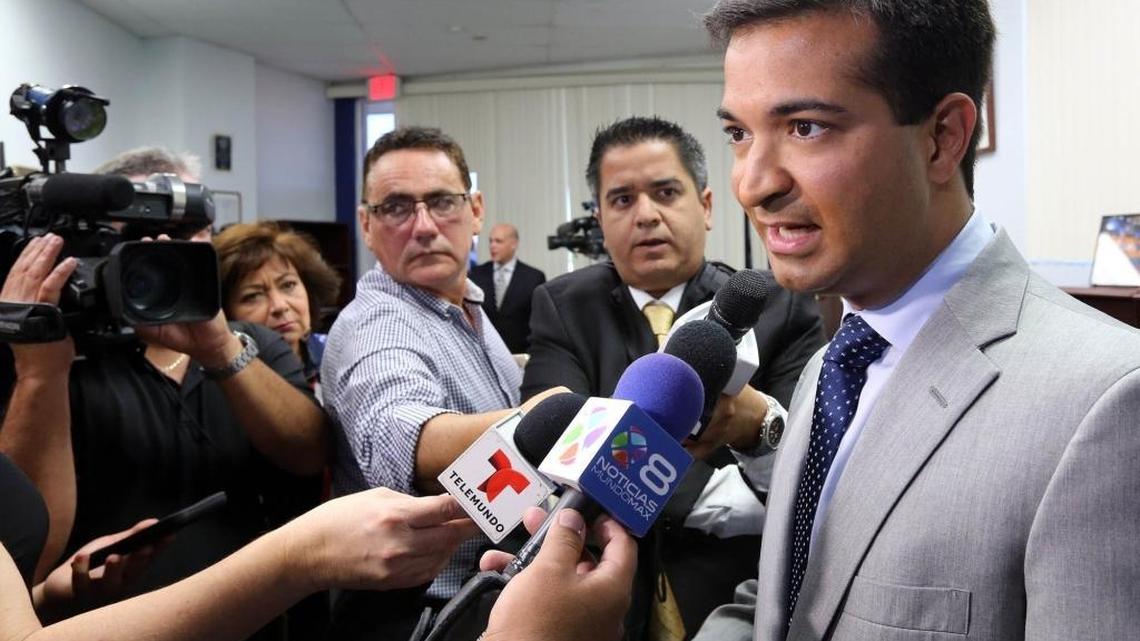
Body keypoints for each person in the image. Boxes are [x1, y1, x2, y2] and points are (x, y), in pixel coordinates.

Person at [693, 2, 1140, 640]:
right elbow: (792, 602)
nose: (753, 184)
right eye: (739, 133)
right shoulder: (835, 364)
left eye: (807, 127)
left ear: (942, 137)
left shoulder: (1108, 405)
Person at [0, 149, 330, 640]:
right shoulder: (53, 360)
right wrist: (41, 372)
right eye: (140, 237)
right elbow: (30, 546)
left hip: (253, 622)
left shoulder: (249, 342)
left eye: (185, 235)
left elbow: (307, 453)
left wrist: (220, 351)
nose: (162, 248)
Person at [521, 115, 824, 640]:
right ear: (599, 217)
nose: (646, 216)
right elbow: (555, 444)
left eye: (665, 192)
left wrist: (619, 475)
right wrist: (726, 493)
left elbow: (806, 470)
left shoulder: (778, 306)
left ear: (705, 206)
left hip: (738, 600)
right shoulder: (563, 307)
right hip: (599, 601)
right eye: (622, 200)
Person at [320, 126, 562, 639]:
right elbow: (405, 435)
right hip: (419, 615)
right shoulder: (380, 324)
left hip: (488, 597)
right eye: (396, 208)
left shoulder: (464, 303)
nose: (424, 226)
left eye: (441, 202)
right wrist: (551, 420)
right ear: (366, 224)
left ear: (475, 210)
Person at [213, 221, 343, 386]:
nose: (280, 306)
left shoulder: (342, 355)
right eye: (253, 296)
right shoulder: (211, 382)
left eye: (288, 285)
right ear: (224, 312)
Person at [469, 223, 546, 354]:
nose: (492, 246)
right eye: (490, 241)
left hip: (522, 355)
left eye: (498, 241)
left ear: (513, 244)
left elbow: (540, 323)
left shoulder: (533, 277)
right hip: (484, 354)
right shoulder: (475, 275)